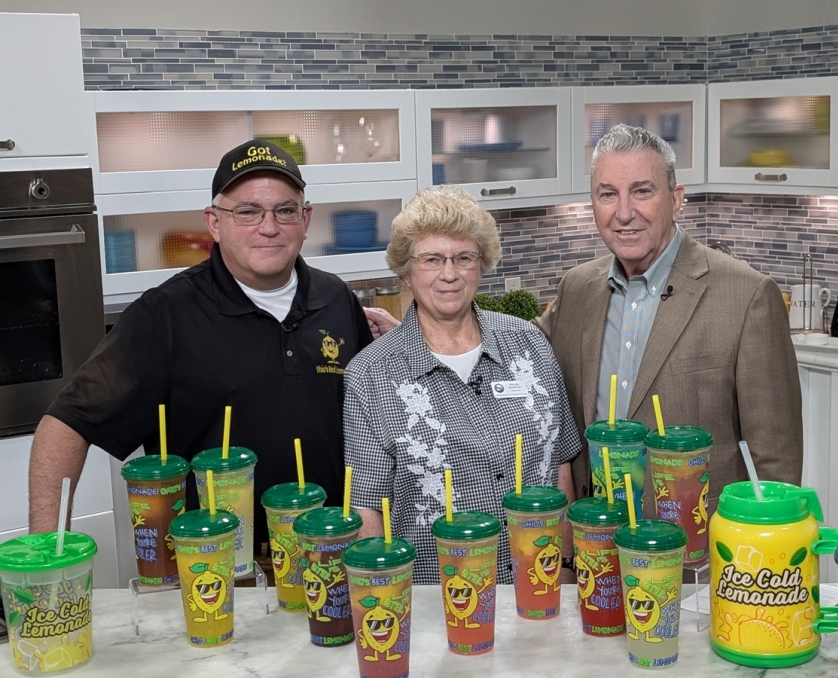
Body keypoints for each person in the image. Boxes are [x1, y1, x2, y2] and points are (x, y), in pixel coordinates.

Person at [28, 140, 396, 554]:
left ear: (305, 218)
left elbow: (375, 424)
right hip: (218, 565)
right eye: (248, 212)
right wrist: (48, 553)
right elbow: (65, 426)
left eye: (285, 210)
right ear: (214, 222)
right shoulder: (164, 315)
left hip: (333, 554)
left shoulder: (336, 299)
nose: (269, 227)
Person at [535, 124, 802, 506]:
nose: (624, 213)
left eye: (642, 191)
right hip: (594, 536)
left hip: (698, 538)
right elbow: (516, 350)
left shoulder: (748, 297)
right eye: (608, 194)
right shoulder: (576, 290)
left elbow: (776, 464)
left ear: (676, 200)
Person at [343, 185, 580, 584]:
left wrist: (568, 573)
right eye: (432, 259)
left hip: (539, 586)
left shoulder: (529, 344)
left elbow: (559, 466)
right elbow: (367, 509)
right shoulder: (370, 376)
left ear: (481, 264)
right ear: (405, 271)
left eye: (464, 258)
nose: (449, 274)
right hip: (439, 598)